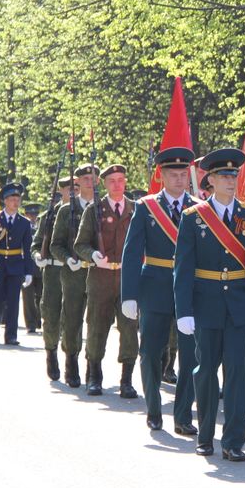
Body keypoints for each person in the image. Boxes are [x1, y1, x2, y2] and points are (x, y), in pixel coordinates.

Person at [174, 148, 245, 461]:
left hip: (239, 306)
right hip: (205, 304)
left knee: (237, 374)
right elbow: (183, 268)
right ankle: (206, 435)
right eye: (223, 175)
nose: (230, 180)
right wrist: (183, 310)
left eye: (234, 175)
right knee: (205, 371)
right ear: (210, 179)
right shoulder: (193, 218)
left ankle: (233, 440)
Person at [121, 147, 199, 433]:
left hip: (189, 290)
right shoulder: (146, 207)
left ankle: (182, 416)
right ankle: (154, 409)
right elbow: (131, 253)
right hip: (154, 286)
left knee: (190, 354)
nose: (179, 180)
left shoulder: (198, 208)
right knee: (151, 352)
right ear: (161, 176)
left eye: (183, 174)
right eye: (173, 175)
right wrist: (128, 294)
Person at [74, 164, 139, 398]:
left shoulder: (135, 209)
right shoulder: (94, 210)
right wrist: (92, 256)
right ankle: (94, 377)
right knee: (97, 327)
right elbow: (80, 244)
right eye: (112, 180)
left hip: (127, 278)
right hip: (100, 277)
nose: (117, 185)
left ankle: (127, 380)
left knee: (129, 328)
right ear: (104, 183)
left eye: (121, 180)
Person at [50, 165, 98, 387]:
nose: (89, 182)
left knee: (96, 322)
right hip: (74, 273)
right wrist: (68, 259)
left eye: (92, 178)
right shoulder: (66, 210)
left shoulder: (102, 208)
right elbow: (55, 244)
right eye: (84, 178)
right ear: (77, 182)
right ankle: (71, 362)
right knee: (72, 320)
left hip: (98, 273)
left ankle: (92, 366)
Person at [32, 178, 77, 380]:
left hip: (74, 272)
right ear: (61, 191)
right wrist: (37, 257)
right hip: (52, 272)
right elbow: (36, 244)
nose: (74, 192)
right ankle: (51, 353)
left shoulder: (83, 213)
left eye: (76, 188)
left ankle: (71, 360)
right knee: (51, 316)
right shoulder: (49, 216)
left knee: (72, 319)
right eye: (70, 189)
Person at [0, 183, 34, 346]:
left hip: (16, 265)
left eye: (18, 199)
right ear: (4, 201)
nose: (15, 202)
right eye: (12, 199)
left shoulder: (24, 223)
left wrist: (28, 271)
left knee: (13, 301)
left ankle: (11, 335)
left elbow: (27, 248)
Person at [21, 203, 43, 333]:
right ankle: (31, 323)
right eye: (30, 214)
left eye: (35, 215)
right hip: (26, 266)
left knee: (41, 295)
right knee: (28, 297)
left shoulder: (42, 227)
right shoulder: (23, 227)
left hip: (40, 267)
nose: (33, 217)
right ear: (26, 215)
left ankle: (39, 319)